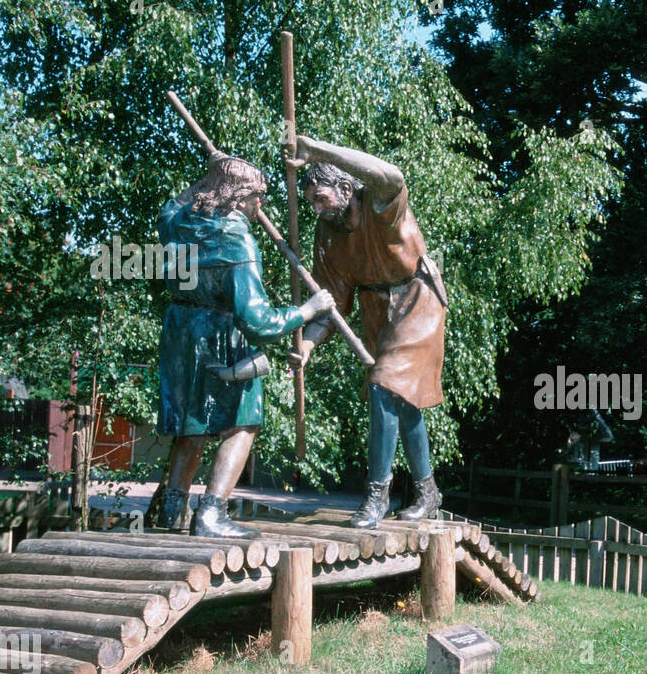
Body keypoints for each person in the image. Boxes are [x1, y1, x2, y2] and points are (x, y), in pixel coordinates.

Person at [155, 154, 334, 538]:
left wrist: (210, 174)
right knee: (243, 423)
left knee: (192, 425)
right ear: (237, 197)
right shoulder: (236, 239)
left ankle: (173, 512)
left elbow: (170, 207)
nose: (262, 204)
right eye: (258, 195)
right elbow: (259, 322)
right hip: (219, 337)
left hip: (179, 338)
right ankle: (211, 514)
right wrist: (309, 309)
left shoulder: (178, 224)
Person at [285, 135, 447, 529]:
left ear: (345, 188)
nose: (317, 209)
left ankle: (377, 494)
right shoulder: (327, 235)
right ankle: (428, 492)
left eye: (321, 198)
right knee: (401, 399)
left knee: (383, 385)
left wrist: (317, 150)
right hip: (375, 312)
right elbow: (332, 307)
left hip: (416, 300)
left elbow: (391, 174)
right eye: (311, 203)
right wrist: (306, 345)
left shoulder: (380, 205)